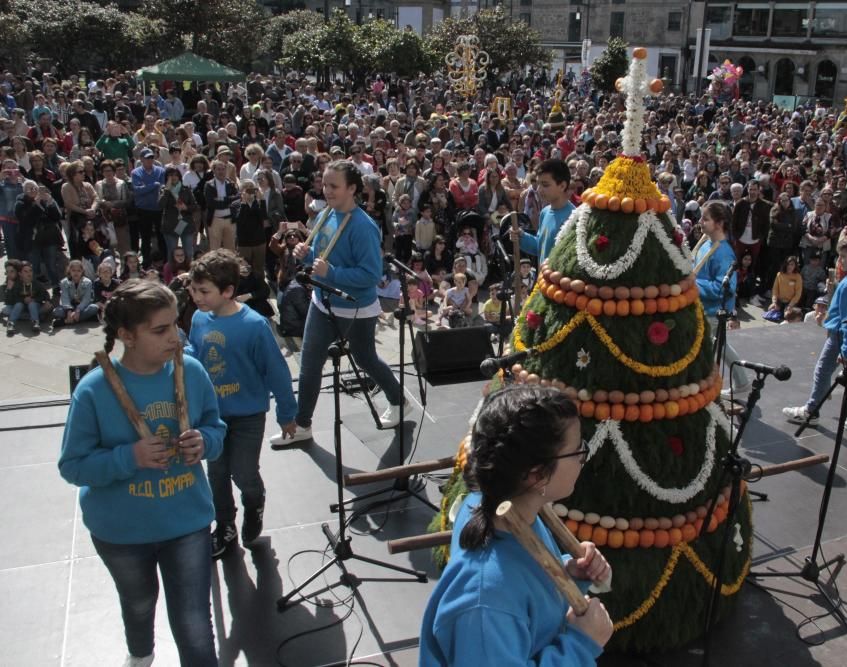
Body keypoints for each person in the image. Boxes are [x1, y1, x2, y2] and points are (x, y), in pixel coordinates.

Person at [58, 279, 226, 667]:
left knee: (196, 624)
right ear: (126, 336)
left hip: (186, 521)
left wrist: (205, 442)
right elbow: (73, 466)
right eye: (161, 330)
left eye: (176, 325)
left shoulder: (193, 372)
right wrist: (128, 457)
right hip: (121, 531)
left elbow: (216, 428)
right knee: (137, 603)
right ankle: (141, 654)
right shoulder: (93, 390)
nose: (176, 337)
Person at [419, 385, 613, 665]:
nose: (583, 455)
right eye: (576, 450)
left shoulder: (496, 506)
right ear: (537, 475)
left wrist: (568, 573)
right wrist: (580, 645)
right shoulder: (487, 601)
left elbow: (525, 585)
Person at [270, 161, 410, 447]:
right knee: (312, 364)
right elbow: (322, 258)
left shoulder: (363, 226)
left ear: (352, 189)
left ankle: (398, 400)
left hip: (355, 306)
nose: (327, 190)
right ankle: (303, 424)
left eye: (334, 186)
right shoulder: (327, 214)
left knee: (364, 357)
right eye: (325, 184)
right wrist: (305, 254)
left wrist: (329, 272)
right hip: (324, 302)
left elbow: (371, 275)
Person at [186, 249, 297, 558]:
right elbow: (196, 353)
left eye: (204, 291)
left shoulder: (254, 325)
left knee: (243, 471)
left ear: (228, 291)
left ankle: (254, 502)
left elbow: (276, 371)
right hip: (211, 414)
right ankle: (224, 523)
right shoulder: (198, 319)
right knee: (217, 473)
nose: (197, 297)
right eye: (194, 290)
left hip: (247, 413)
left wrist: (288, 414)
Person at [782, 231, 847, 429]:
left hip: (841, 337)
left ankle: (812, 410)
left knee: (823, 371)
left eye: (844, 257)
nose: (840, 261)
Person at [696, 201, 750, 396]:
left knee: (713, 347)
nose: (700, 222)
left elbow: (724, 288)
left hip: (712, 310)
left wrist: (692, 285)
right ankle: (742, 383)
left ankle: (717, 387)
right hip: (701, 306)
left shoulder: (723, 252)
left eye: (705, 218)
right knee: (718, 345)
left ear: (719, 223)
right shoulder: (705, 243)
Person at [515, 159, 574, 265]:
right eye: (538, 184)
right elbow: (540, 246)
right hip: (543, 279)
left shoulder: (574, 218)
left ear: (562, 186)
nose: (539, 190)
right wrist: (522, 236)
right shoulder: (544, 212)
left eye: (545, 185)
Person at [5, 261, 49, 335]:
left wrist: (36, 300)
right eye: (25, 271)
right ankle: (11, 323)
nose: (29, 273)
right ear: (20, 274)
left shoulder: (36, 283)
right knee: (17, 305)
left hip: (34, 307)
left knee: (32, 304)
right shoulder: (17, 284)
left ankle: (35, 322)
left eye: (30, 271)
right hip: (21, 307)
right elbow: (12, 299)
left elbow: (45, 295)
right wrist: (23, 300)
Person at [53, 259, 99, 327]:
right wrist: (69, 311)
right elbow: (64, 298)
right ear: (69, 271)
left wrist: (78, 310)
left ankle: (65, 321)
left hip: (82, 307)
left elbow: (86, 299)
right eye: (73, 270)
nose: (76, 273)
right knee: (56, 311)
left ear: (82, 271)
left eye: (78, 271)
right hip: (69, 307)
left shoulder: (88, 282)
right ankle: (83, 319)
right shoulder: (64, 282)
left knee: (94, 308)